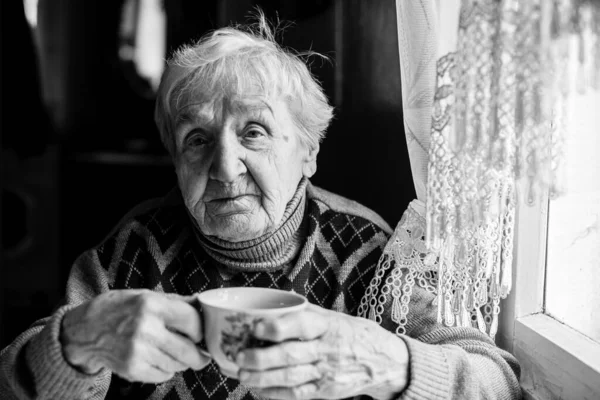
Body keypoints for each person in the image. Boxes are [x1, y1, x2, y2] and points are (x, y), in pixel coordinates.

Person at [0, 15, 522, 400]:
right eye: (197, 139)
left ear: (308, 151)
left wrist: (389, 362)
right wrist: (78, 343)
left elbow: (498, 382)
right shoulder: (130, 251)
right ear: (175, 158)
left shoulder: (371, 256)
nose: (226, 167)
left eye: (254, 132)